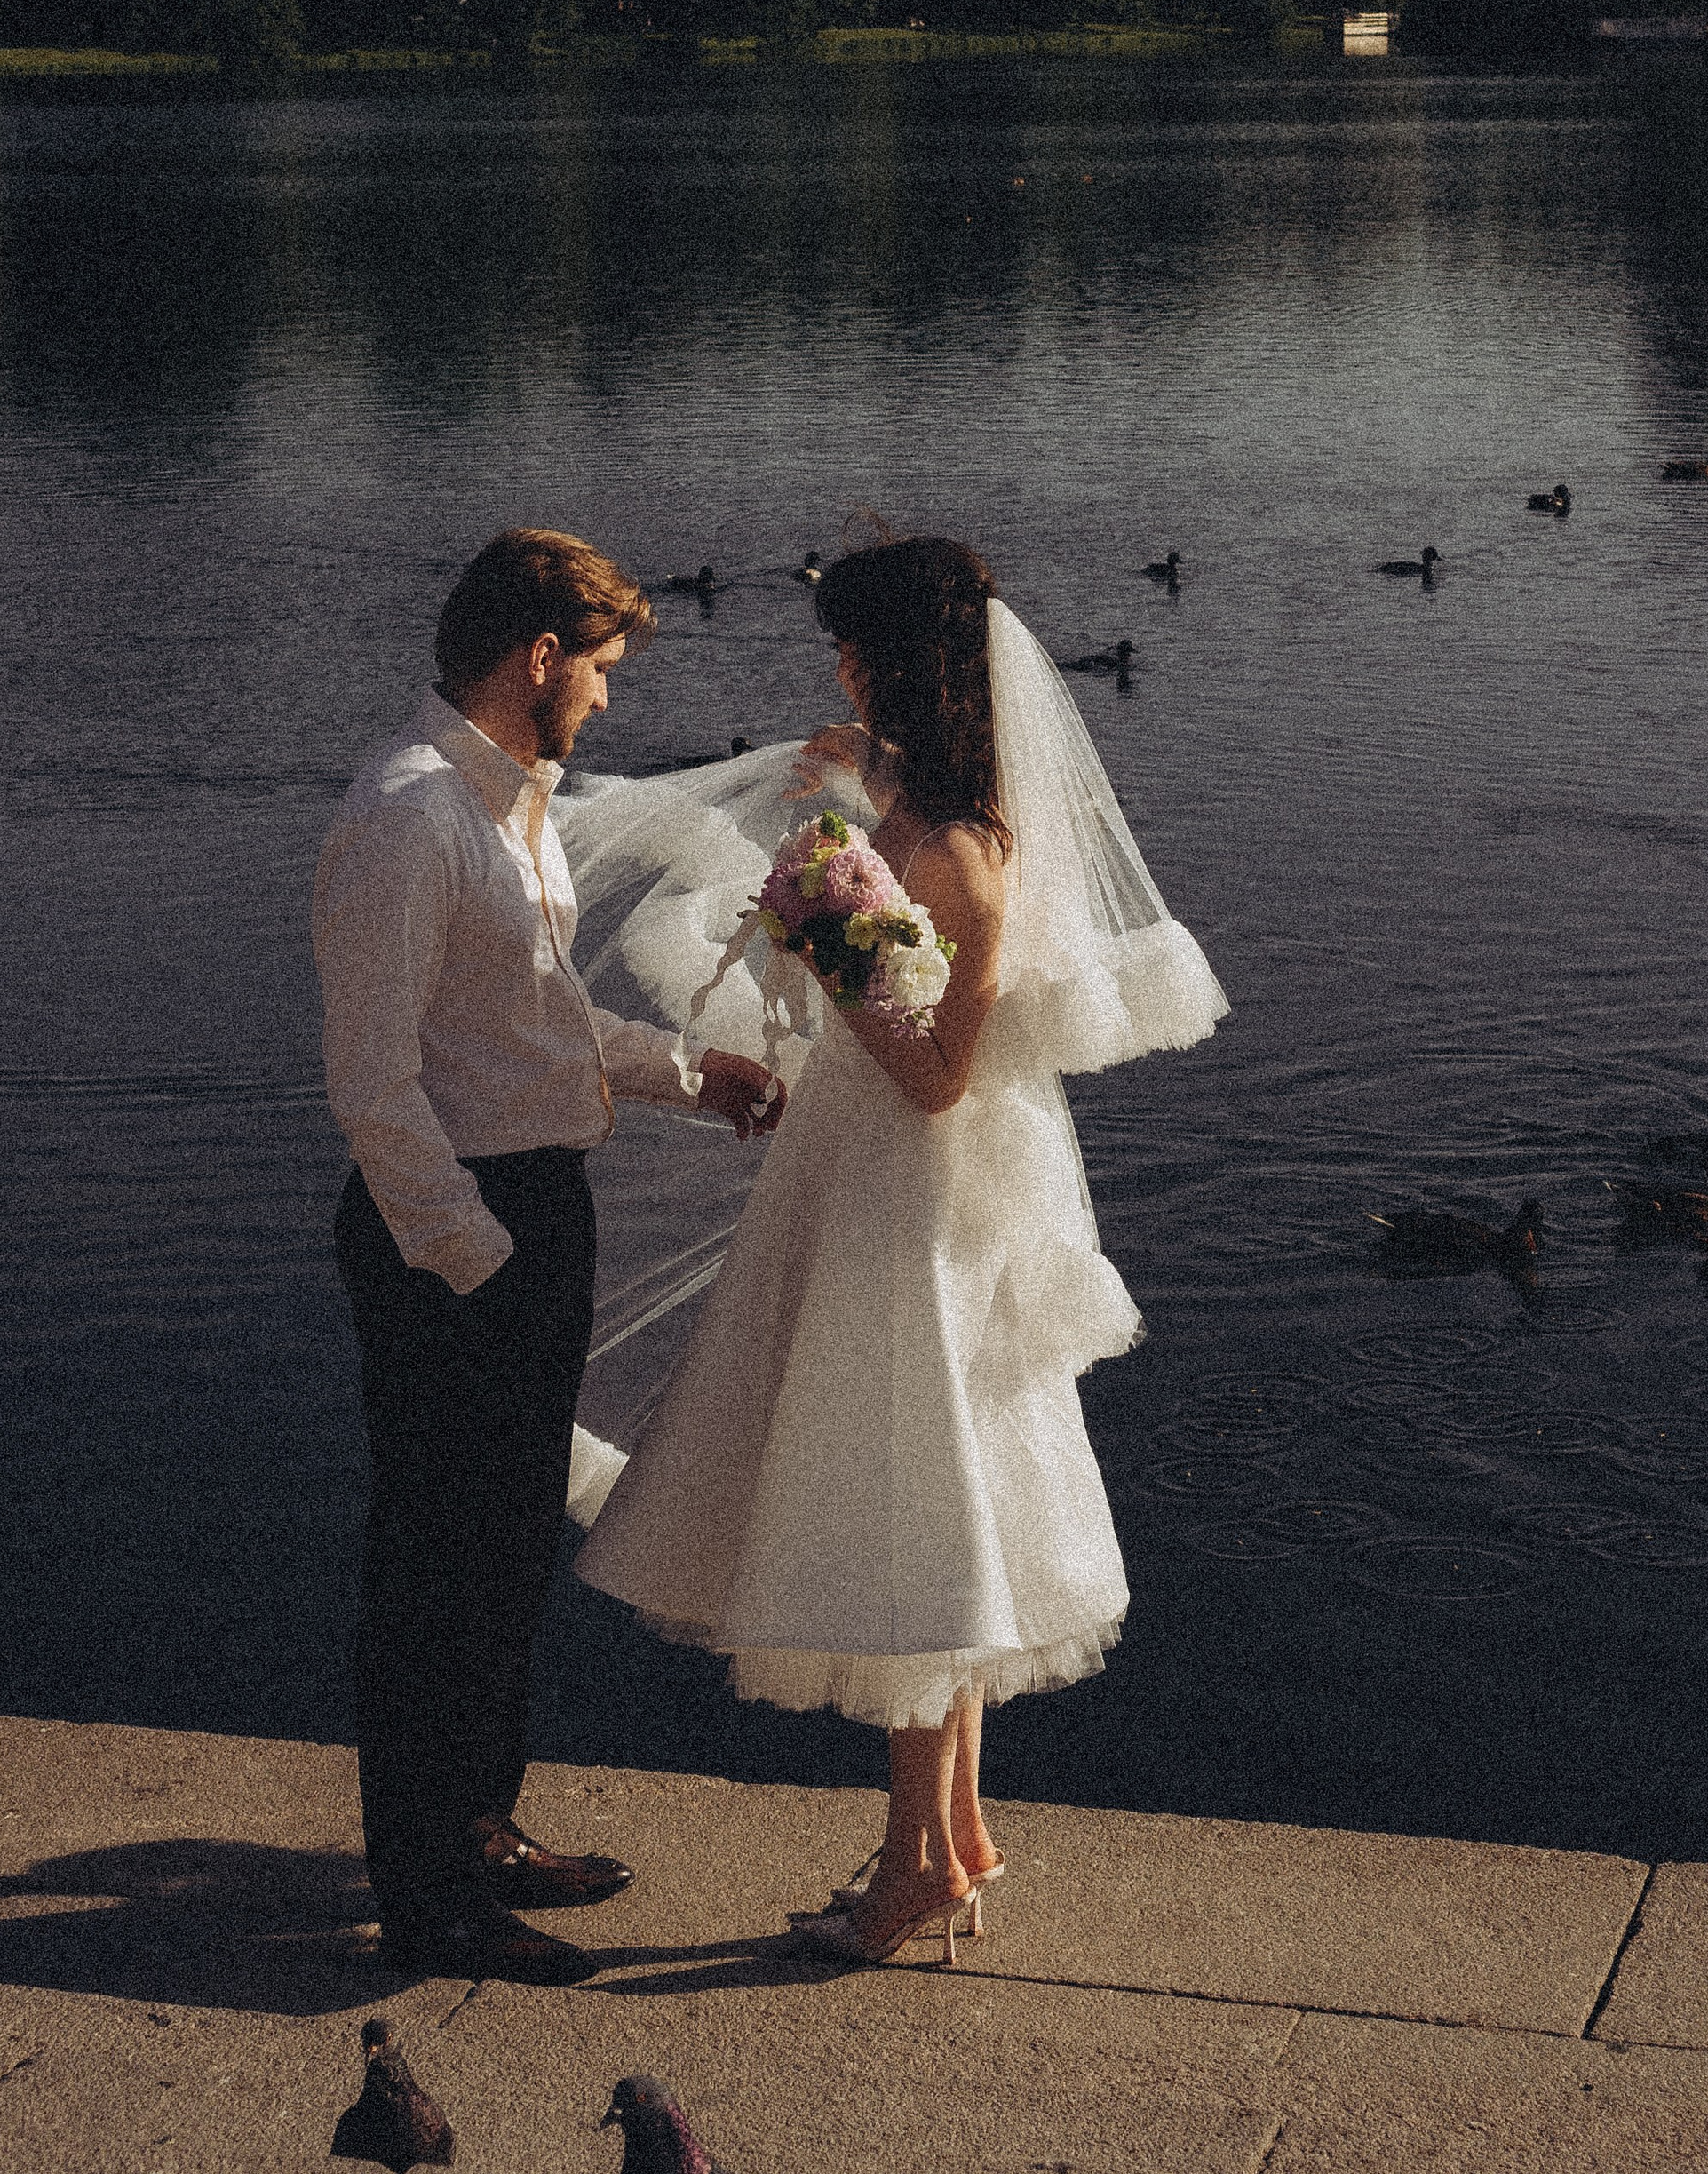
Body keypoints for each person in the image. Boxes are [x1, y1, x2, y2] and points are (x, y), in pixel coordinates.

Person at [574, 535, 1227, 1966]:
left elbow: (938, 1072)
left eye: (852, 649)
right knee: (948, 1504)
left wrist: (832, 927)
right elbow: (890, 821)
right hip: (864, 1178)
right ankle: (954, 1838)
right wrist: (850, 785)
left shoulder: (966, 856)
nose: (836, 668)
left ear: (900, 662)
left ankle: (908, 1869)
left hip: (914, 1204)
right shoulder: (916, 803)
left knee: (913, 1515)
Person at [313, 528, 783, 1987]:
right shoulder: (406, 818)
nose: (608, 700)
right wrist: (476, 1258)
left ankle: (482, 1826)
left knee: (507, 1550)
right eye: (601, 671)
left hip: (523, 1208)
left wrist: (690, 1073)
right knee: (435, 1568)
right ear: (538, 660)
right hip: (454, 1227)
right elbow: (374, 1087)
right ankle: (430, 1895)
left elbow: (531, 1029)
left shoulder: (508, 808)